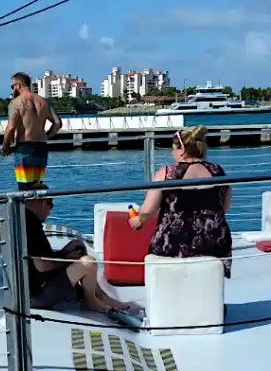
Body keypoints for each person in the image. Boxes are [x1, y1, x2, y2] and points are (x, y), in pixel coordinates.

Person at [129, 125, 233, 277]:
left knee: (160, 242)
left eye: (173, 149)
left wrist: (139, 220)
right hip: (214, 241)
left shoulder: (167, 173)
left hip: (174, 242)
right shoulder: (218, 171)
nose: (172, 153)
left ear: (182, 151)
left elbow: (148, 209)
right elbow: (224, 207)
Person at [23, 187, 129, 313]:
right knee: (87, 263)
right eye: (50, 205)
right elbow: (43, 265)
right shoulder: (31, 226)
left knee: (77, 244)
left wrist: (65, 254)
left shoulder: (24, 219)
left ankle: (100, 295)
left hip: (36, 285)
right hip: (38, 296)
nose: (49, 212)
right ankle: (91, 302)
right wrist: (68, 259)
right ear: (43, 203)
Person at [0, 72, 62, 190]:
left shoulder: (16, 103)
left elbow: (11, 127)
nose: (12, 90)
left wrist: (5, 147)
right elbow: (57, 123)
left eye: (12, 87)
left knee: (25, 189)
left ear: (18, 85)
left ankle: (26, 208)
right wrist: (46, 136)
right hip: (41, 148)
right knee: (37, 187)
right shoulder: (44, 102)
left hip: (24, 148)